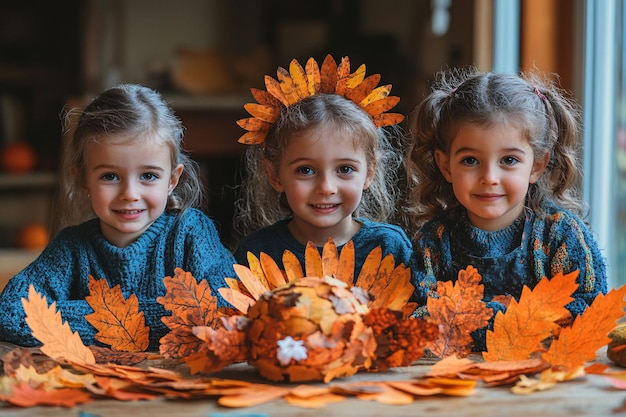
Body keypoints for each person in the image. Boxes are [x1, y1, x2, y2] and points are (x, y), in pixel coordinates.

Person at [0, 84, 237, 351]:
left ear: (172, 179)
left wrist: (81, 317)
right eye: (110, 176)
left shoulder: (190, 232)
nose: (129, 194)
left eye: (148, 176)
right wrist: (157, 316)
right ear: (83, 180)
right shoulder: (71, 250)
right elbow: (10, 312)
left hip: (180, 384)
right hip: (93, 386)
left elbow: (223, 308)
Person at [404, 67, 608, 350]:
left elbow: (589, 308)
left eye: (509, 160)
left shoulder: (561, 235)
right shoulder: (433, 242)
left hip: (544, 379)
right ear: (445, 165)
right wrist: (522, 320)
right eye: (470, 161)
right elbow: (421, 316)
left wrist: (477, 319)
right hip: (454, 380)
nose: (490, 177)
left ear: (536, 165)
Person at [233, 55, 412, 280]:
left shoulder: (389, 248)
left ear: (369, 172)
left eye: (345, 169)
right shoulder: (257, 252)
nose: (326, 188)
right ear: (275, 174)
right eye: (305, 170)